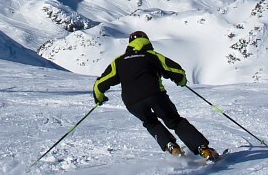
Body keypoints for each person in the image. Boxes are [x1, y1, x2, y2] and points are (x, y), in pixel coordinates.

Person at [93, 30, 221, 160]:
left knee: (150, 123)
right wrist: (180, 81)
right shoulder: (151, 55)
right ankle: (203, 149)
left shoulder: (118, 61)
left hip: (132, 102)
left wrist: (99, 98)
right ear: (147, 41)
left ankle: (171, 147)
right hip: (154, 94)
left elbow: (100, 84)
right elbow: (176, 70)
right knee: (175, 121)